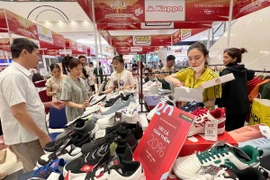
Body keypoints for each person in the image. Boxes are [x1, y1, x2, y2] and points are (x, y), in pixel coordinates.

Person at [0, 38, 65, 171]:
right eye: (36, 54)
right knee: (38, 171)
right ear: (24, 53)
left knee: (43, 168)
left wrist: (48, 104)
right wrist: (41, 135)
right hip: (27, 137)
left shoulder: (22, 75)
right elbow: (18, 112)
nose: (39, 58)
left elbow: (26, 105)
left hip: (31, 134)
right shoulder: (13, 76)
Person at [165, 42, 222, 108]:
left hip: (201, 114)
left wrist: (198, 105)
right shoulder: (188, 71)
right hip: (185, 112)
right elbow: (168, 77)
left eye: (197, 58)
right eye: (190, 59)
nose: (193, 62)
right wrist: (175, 81)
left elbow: (211, 102)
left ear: (205, 57)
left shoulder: (213, 78)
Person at [219, 48, 254, 131]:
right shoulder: (244, 71)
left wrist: (220, 105)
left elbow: (222, 90)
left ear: (234, 59)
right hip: (243, 106)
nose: (223, 60)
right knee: (239, 131)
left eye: (226, 57)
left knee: (228, 132)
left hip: (231, 108)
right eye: (223, 57)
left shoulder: (227, 71)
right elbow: (250, 76)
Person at [60, 57, 89, 122]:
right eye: (77, 69)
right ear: (69, 69)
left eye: (81, 69)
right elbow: (66, 101)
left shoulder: (81, 80)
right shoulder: (66, 82)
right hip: (73, 114)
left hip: (84, 111)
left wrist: (87, 102)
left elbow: (84, 93)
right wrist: (80, 106)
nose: (80, 71)